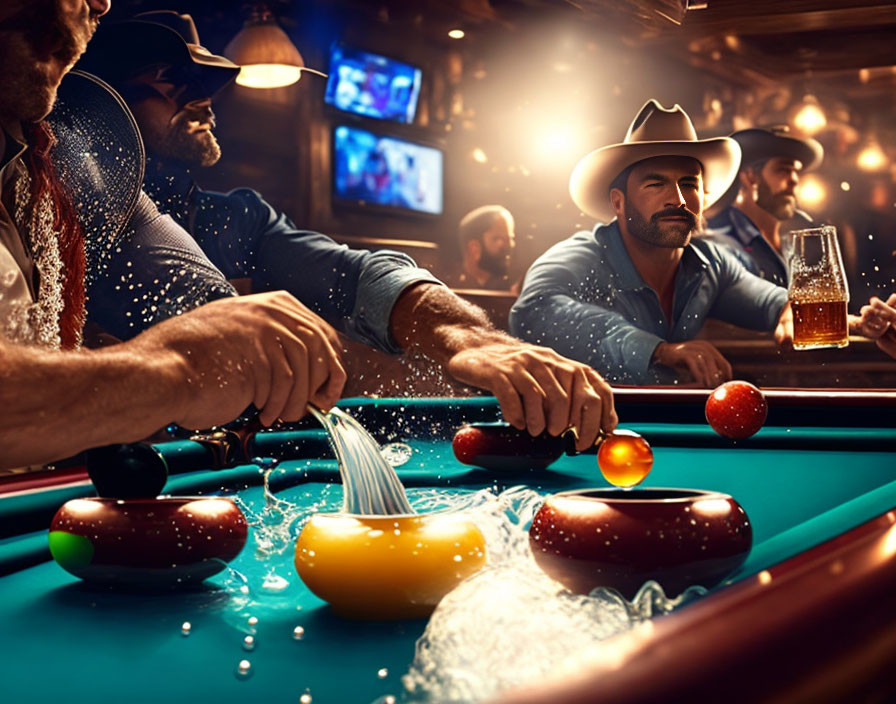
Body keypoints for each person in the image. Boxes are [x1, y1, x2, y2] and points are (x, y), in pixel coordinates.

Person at [0, 2, 616, 471]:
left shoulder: (201, 211)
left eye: (210, 86)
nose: (203, 99)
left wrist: (463, 338)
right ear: (96, 106)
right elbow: (197, 346)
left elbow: (349, 276)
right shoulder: (68, 180)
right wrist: (175, 363)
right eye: (170, 80)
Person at [510, 100, 797, 387]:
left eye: (689, 185)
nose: (679, 199)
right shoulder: (583, 257)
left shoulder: (711, 263)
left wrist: (789, 310)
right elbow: (533, 310)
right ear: (618, 203)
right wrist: (658, 350)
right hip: (590, 425)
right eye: (656, 184)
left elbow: (769, 301)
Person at [703, 125, 823, 287]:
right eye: (783, 170)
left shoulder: (799, 239)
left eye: (797, 172)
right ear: (750, 176)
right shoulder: (717, 242)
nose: (794, 180)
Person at [455, 205, 517, 290]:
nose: (507, 245)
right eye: (498, 238)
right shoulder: (454, 291)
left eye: (509, 239)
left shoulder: (512, 290)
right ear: (474, 248)